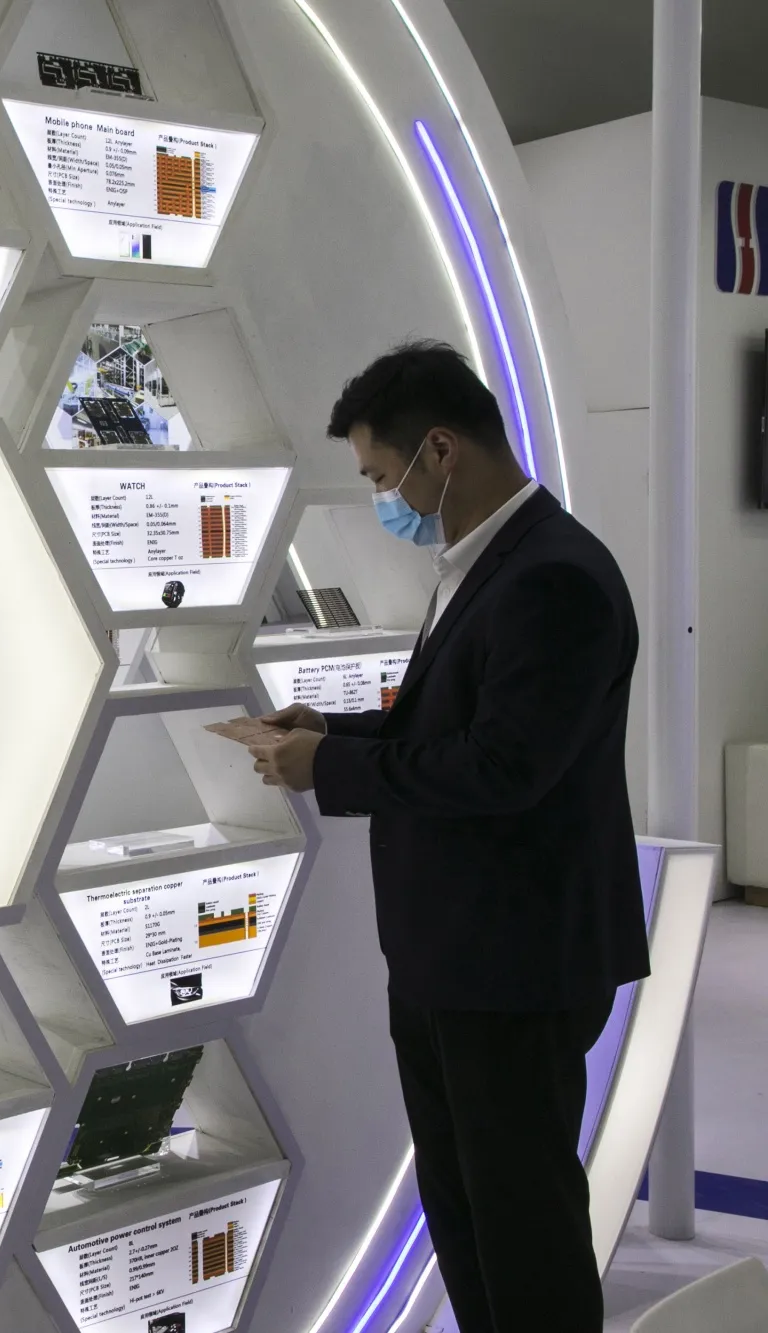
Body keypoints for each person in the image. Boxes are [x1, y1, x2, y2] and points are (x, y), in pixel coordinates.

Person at [248, 341, 647, 1333]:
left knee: (520, 1226)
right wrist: (329, 732)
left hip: (512, 967)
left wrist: (329, 772)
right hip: (450, 961)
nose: (382, 497)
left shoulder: (552, 579)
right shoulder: (484, 566)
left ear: (438, 450)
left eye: (382, 476)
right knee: (464, 1214)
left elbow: (503, 769)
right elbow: (453, 728)